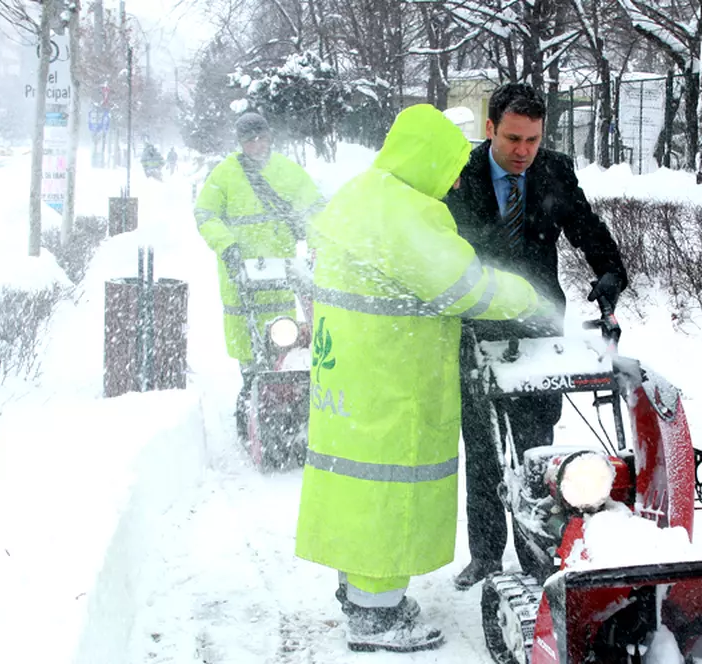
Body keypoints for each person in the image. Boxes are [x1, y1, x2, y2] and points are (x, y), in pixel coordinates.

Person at [295, 103, 556, 653]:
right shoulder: (407, 213)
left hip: (352, 378)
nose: (458, 177)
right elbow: (461, 286)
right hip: (394, 381)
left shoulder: (363, 194)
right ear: (427, 157)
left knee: (357, 489)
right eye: (451, 163)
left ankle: (361, 594)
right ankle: (377, 619)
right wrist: (528, 299)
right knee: (388, 493)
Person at [444, 83, 630, 590]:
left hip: (538, 328)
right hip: (475, 327)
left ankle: (535, 558)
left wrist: (611, 269)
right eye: (512, 139)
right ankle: (485, 554)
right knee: (483, 447)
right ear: (490, 129)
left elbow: (585, 226)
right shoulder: (458, 174)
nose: (524, 151)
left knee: (535, 450)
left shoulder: (554, 170)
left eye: (532, 139)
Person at [193, 112, 327, 439]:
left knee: (283, 340)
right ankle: (248, 392)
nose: (256, 145)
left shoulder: (287, 172)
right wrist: (228, 247)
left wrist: (316, 246)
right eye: (249, 140)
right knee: (248, 346)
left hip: (279, 276)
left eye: (260, 138)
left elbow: (313, 209)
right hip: (240, 276)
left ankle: (282, 404)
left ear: (269, 138)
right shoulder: (224, 175)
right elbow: (205, 214)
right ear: (240, 143)